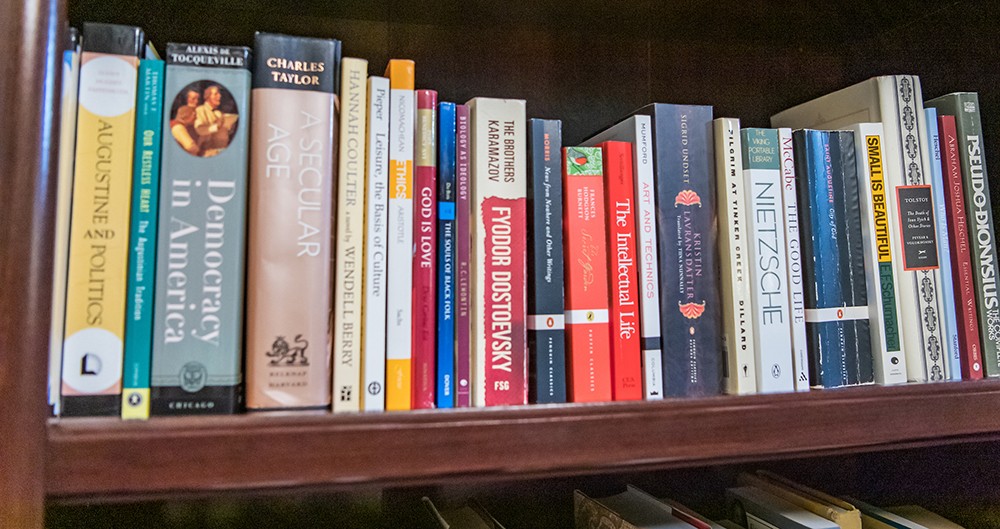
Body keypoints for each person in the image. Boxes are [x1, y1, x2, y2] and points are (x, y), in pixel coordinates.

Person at [194, 85, 235, 156]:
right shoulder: (200, 110)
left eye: (219, 94)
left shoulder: (219, 113)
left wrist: (230, 125)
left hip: (222, 151)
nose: (219, 96)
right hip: (208, 152)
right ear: (208, 97)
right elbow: (200, 130)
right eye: (216, 94)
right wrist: (216, 126)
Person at [171, 89, 200, 155]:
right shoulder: (178, 127)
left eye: (198, 99)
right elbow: (191, 147)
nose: (196, 101)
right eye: (193, 99)